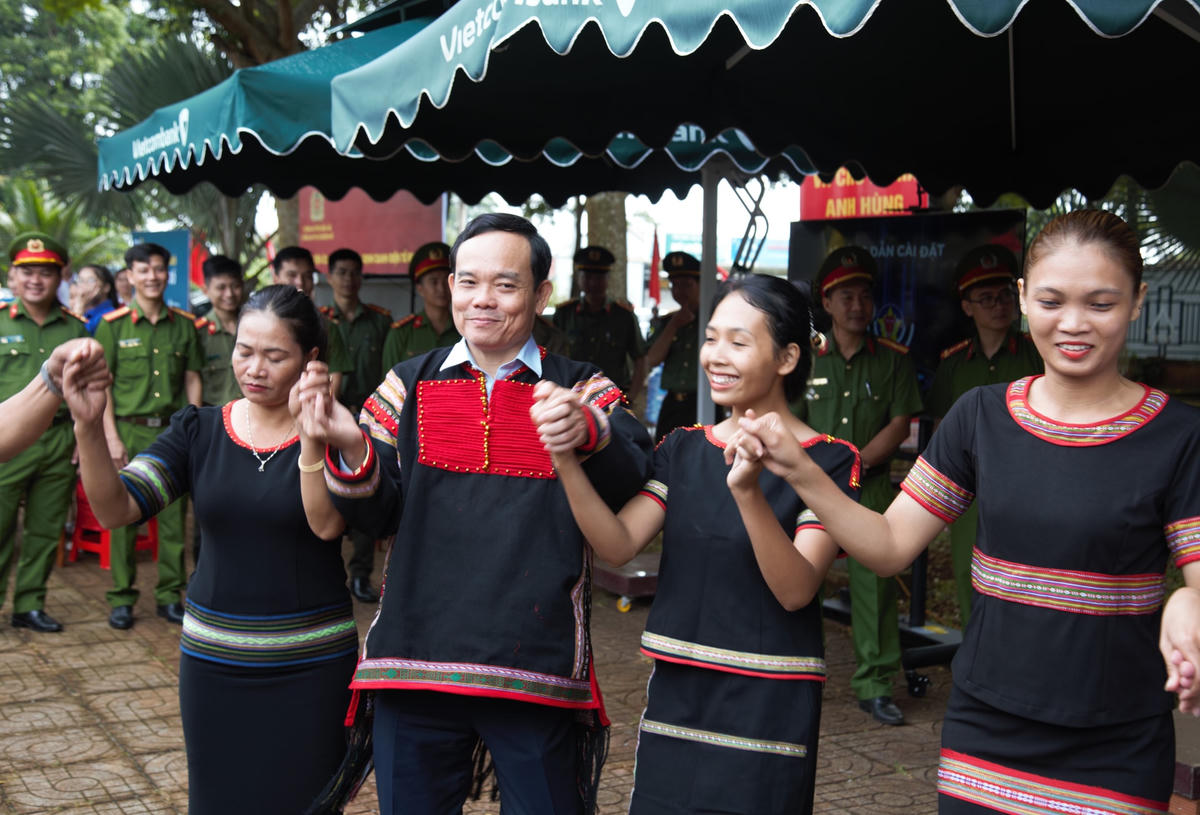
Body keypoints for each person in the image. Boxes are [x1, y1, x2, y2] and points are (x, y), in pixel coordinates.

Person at [732, 210, 1200, 813]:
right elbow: (890, 543)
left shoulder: (1178, 436)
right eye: (1053, 301)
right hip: (986, 733)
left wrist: (1186, 603)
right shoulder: (981, 416)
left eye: (1102, 304)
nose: (1074, 324)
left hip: (1116, 737)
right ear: (1026, 299)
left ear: (1137, 302)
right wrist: (798, 469)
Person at [295, 213, 651, 815]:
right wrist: (350, 446)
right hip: (414, 659)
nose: (482, 299)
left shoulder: (580, 387)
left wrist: (586, 429)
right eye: (467, 282)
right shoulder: (407, 384)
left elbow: (634, 466)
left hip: (534, 664)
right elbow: (376, 516)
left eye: (505, 285)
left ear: (542, 294)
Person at [533, 274, 860, 814]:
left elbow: (796, 590)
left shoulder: (829, 460)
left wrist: (748, 492)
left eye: (739, 341)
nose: (716, 356)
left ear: (786, 358)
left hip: (769, 698)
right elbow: (617, 545)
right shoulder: (683, 448)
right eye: (711, 338)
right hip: (680, 690)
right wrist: (565, 459)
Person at [66, 284, 357, 815]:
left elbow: (328, 526)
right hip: (214, 665)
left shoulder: (339, 430)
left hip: (311, 665)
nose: (255, 368)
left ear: (310, 359)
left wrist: (313, 434)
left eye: (275, 356)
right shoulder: (198, 430)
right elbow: (116, 510)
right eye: (245, 351)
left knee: (308, 804)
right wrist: (88, 426)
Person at [799, 245, 922, 726]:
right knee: (801, 579)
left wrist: (855, 463)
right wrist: (820, 469)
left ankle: (874, 684)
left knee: (875, 585)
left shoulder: (892, 360)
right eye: (845, 295)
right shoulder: (804, 358)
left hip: (869, 487)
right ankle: (801, 675)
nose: (857, 305)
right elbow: (790, 420)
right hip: (811, 488)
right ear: (826, 304)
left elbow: (899, 423)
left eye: (864, 295)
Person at [926, 244, 1042, 626]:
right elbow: (943, 431)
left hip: (1027, 490)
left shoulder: (1036, 356)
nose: (999, 305)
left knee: (1025, 581)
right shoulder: (954, 364)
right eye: (986, 298)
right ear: (967, 306)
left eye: (1006, 295)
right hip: (969, 492)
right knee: (967, 576)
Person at [94, 242, 203, 630]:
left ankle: (169, 596)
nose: (153, 276)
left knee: (174, 519)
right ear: (130, 275)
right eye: (144, 269)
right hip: (126, 429)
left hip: (171, 433)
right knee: (124, 520)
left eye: (159, 269)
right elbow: (102, 386)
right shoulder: (113, 326)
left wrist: (193, 427)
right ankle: (122, 597)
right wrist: (110, 438)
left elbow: (192, 377)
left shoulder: (185, 325)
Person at [0, 233, 90, 632]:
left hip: (58, 441)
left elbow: (88, 390)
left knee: (44, 526)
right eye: (28, 272)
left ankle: (30, 604)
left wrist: (84, 439)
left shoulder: (75, 327)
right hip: (6, 442)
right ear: (13, 276)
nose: (36, 281)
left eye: (46, 273)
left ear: (60, 278)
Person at [320, 247, 392, 604]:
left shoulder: (381, 321)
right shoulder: (316, 321)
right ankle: (326, 568)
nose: (348, 279)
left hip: (367, 416)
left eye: (354, 273)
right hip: (324, 414)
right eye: (342, 272)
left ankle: (361, 573)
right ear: (330, 276)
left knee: (366, 487)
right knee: (321, 491)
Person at [553, 245, 648, 403]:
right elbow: (552, 356)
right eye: (587, 276)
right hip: (573, 397)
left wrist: (631, 396)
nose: (593, 282)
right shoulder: (565, 314)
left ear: (608, 279)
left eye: (599, 277)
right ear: (579, 278)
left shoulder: (623, 316)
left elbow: (640, 358)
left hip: (613, 398)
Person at [271, 246, 351, 400]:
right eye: (292, 275)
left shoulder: (326, 326)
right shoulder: (260, 323)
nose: (300, 282)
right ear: (276, 276)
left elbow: (335, 379)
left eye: (307, 276)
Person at [645, 251, 702, 443]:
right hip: (672, 404)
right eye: (675, 285)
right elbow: (652, 359)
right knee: (664, 459)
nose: (680, 291)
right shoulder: (668, 322)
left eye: (687, 285)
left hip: (703, 403)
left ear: (700, 285)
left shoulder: (713, 320)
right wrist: (674, 325)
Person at [381, 241, 459, 370]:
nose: (441, 288)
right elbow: (388, 385)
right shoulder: (401, 334)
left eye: (446, 280)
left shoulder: (464, 330)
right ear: (420, 288)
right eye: (433, 282)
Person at [194, 255, 246, 408]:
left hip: (253, 417)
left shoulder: (256, 328)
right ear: (206, 290)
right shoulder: (197, 333)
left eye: (235, 286)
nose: (229, 294)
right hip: (213, 418)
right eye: (221, 287)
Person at [73, 264, 121, 334]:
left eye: (91, 280)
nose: (83, 285)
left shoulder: (110, 315)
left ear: (106, 287)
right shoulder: (84, 311)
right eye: (80, 280)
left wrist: (78, 313)